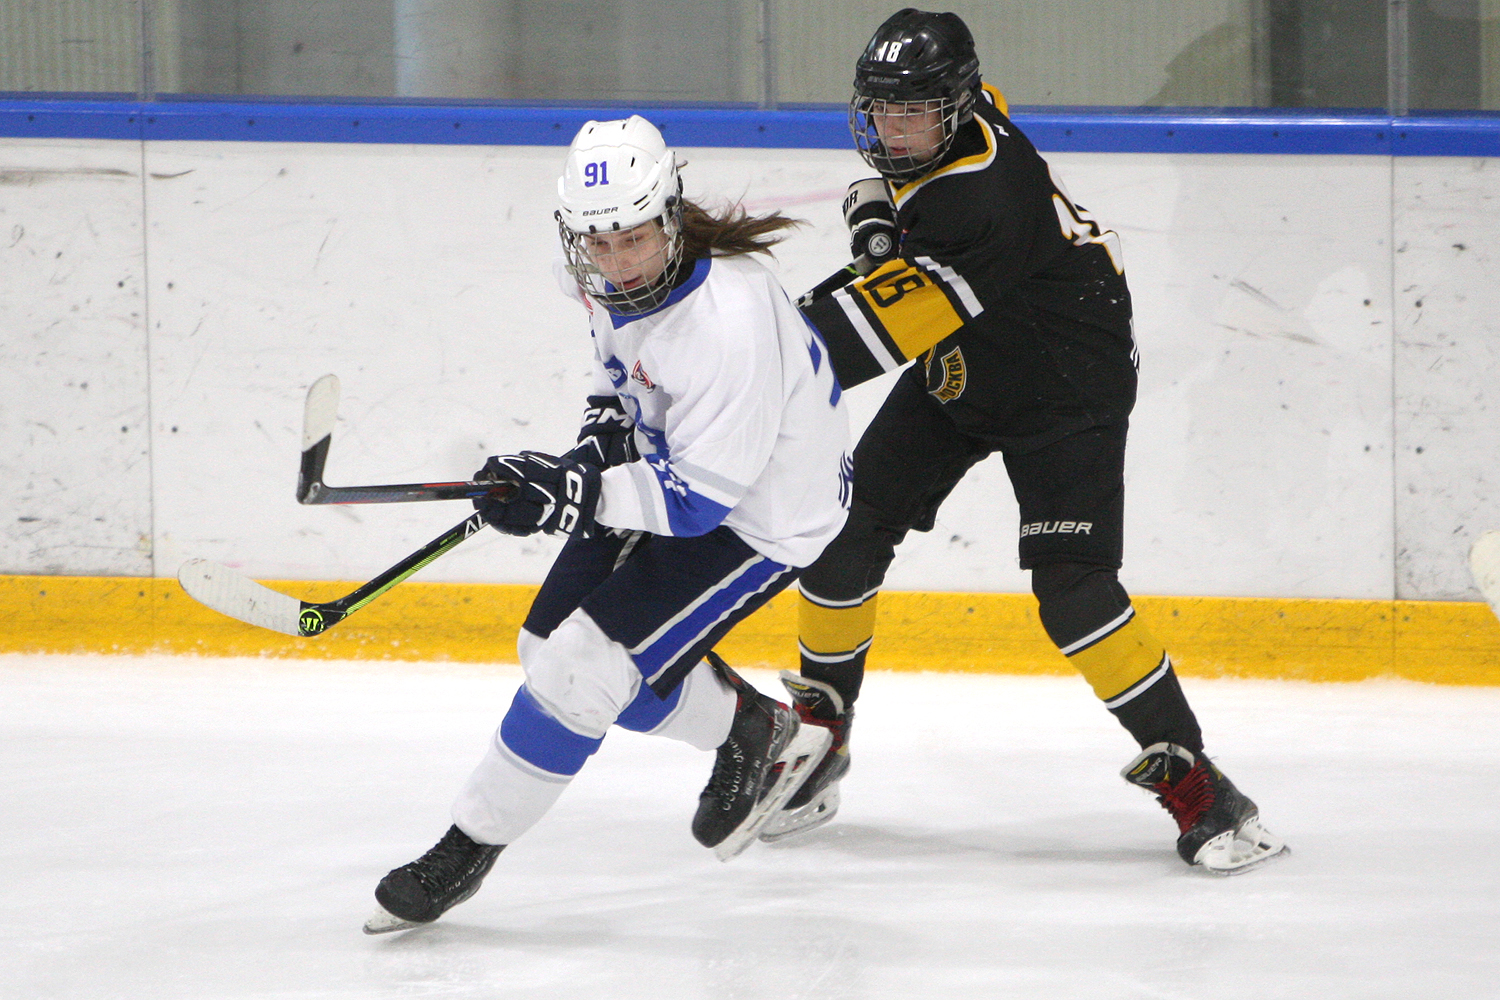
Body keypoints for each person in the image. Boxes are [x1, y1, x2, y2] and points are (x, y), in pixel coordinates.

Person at [763, 8, 1287, 874]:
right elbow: (901, 239)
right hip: (969, 357)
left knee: (1073, 593)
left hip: (1066, 378)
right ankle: (822, 736)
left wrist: (736, 363)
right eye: (884, 110)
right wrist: (878, 225)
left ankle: (1201, 787)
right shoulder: (968, 122)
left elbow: (856, 337)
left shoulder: (985, 199)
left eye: (914, 112)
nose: (895, 131)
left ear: (957, 105)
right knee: (841, 536)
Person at [364, 115, 852, 933]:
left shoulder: (726, 322)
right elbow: (621, 385)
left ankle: (464, 849)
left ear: (669, 216)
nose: (618, 263)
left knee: (583, 670)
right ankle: (753, 726)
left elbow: (699, 504)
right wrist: (587, 452)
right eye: (599, 242)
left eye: (633, 239)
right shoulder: (601, 277)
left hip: (764, 512)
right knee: (545, 650)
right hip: (682, 474)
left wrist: (570, 495)